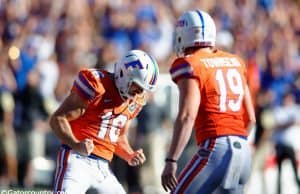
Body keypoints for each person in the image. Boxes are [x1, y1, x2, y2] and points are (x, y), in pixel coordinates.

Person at [161, 10, 256, 194]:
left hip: (215, 148)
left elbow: (187, 116)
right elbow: (250, 118)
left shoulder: (189, 63)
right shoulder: (236, 61)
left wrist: (171, 160)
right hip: (244, 151)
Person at [49, 49, 159, 193]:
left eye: (143, 89)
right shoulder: (97, 84)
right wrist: (75, 144)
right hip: (76, 159)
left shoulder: (135, 102)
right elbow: (58, 119)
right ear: (124, 74)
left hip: (103, 168)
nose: (139, 93)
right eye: (137, 86)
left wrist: (129, 154)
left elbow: (117, 136)